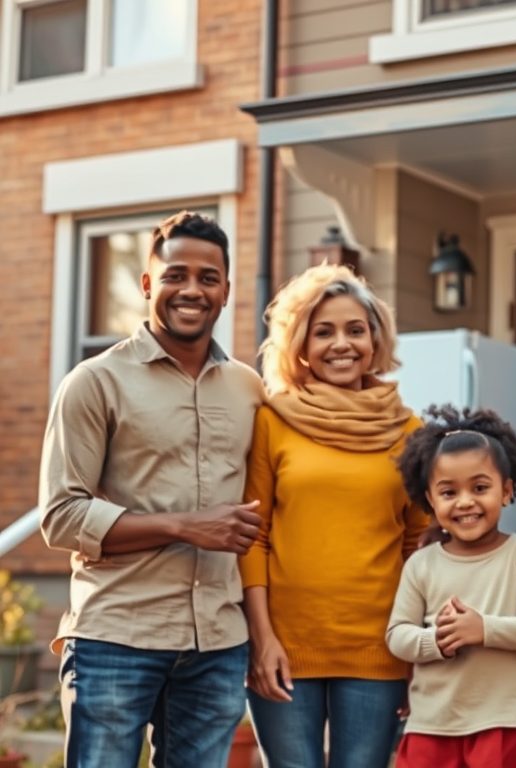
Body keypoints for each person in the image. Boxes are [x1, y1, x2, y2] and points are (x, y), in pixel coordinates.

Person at [38, 211, 264, 768]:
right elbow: (61, 515)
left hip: (217, 641)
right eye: (175, 275)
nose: (192, 289)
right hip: (118, 634)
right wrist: (184, 526)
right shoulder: (95, 382)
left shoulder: (248, 387)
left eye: (208, 278)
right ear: (147, 285)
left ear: (226, 289)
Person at [239, 263, 430, 768]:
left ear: (375, 340)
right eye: (323, 331)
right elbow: (253, 537)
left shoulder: (412, 431)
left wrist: (414, 647)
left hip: (379, 647)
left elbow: (416, 543)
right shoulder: (272, 420)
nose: (341, 344)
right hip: (284, 647)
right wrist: (262, 641)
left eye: (355, 330)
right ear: (300, 344)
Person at [387, 405, 516, 768]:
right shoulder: (422, 563)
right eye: (449, 492)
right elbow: (397, 635)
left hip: (507, 725)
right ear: (431, 500)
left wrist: (483, 629)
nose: (466, 501)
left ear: (506, 491)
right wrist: (435, 640)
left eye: (480, 488)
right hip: (430, 728)